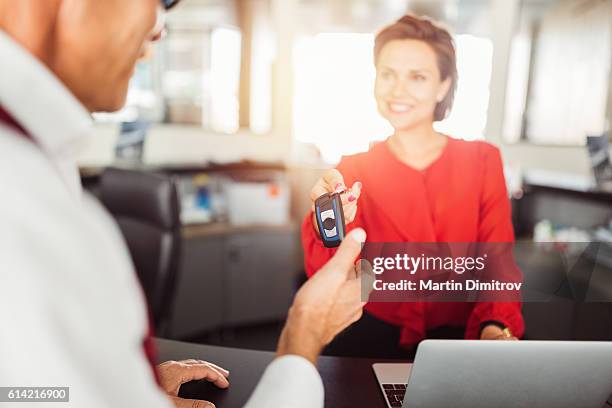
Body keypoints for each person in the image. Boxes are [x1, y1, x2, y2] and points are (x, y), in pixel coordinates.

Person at [0, 1, 370, 407]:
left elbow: (26, 394)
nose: (159, 28)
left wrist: (124, 388)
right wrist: (303, 341)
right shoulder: (27, 211)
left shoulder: (36, 170)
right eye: (156, 1)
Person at [302, 14, 524, 359]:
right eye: (387, 74)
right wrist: (325, 227)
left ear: (443, 85)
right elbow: (340, 273)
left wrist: (495, 326)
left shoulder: (483, 161)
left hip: (460, 337)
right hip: (367, 334)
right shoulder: (353, 168)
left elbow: (497, 260)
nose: (397, 90)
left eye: (417, 77)